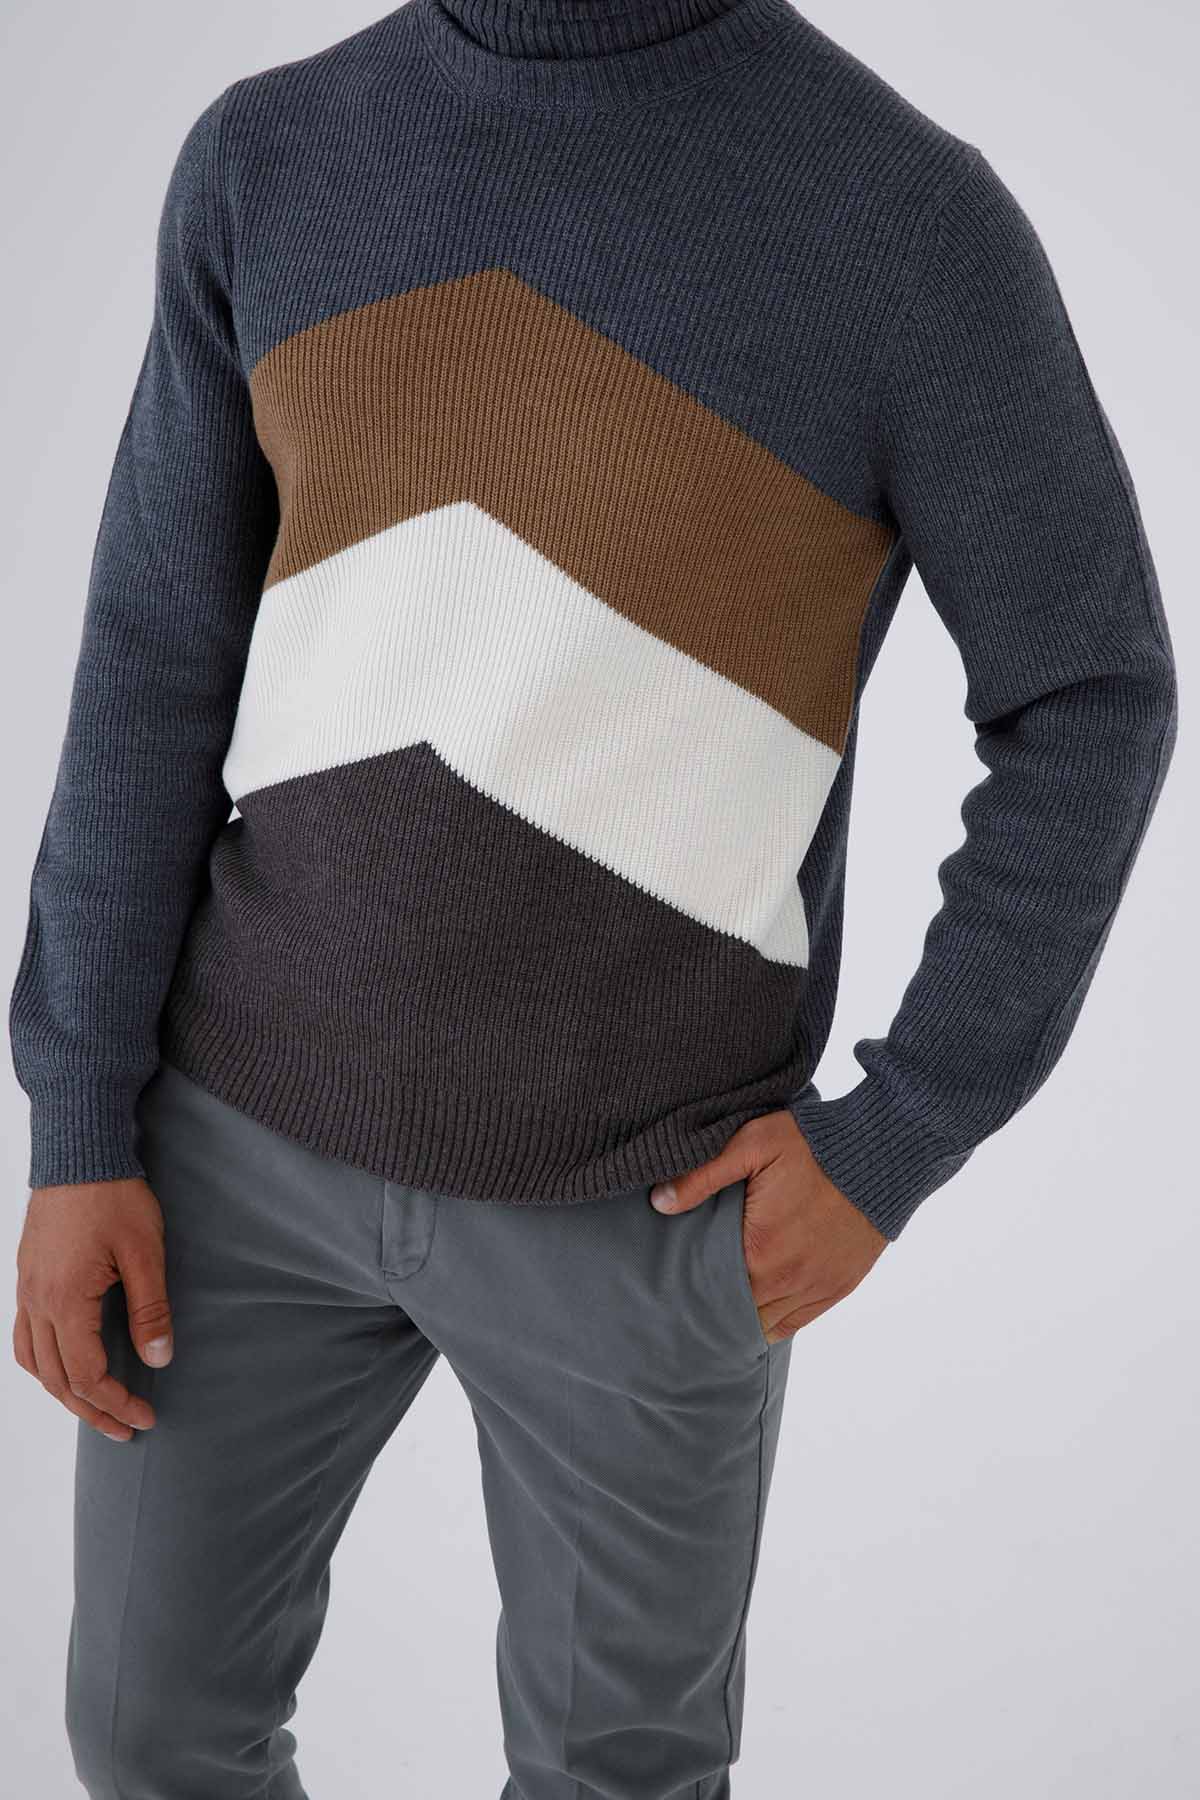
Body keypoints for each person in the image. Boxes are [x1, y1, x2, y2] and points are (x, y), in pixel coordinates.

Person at [8, 1, 1178, 1795]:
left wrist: (902, 1132)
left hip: (645, 1202)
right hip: (231, 1149)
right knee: (147, 1737)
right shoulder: (269, 156)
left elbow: (1092, 695)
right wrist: (80, 1117)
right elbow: (154, 661)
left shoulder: (904, 222)